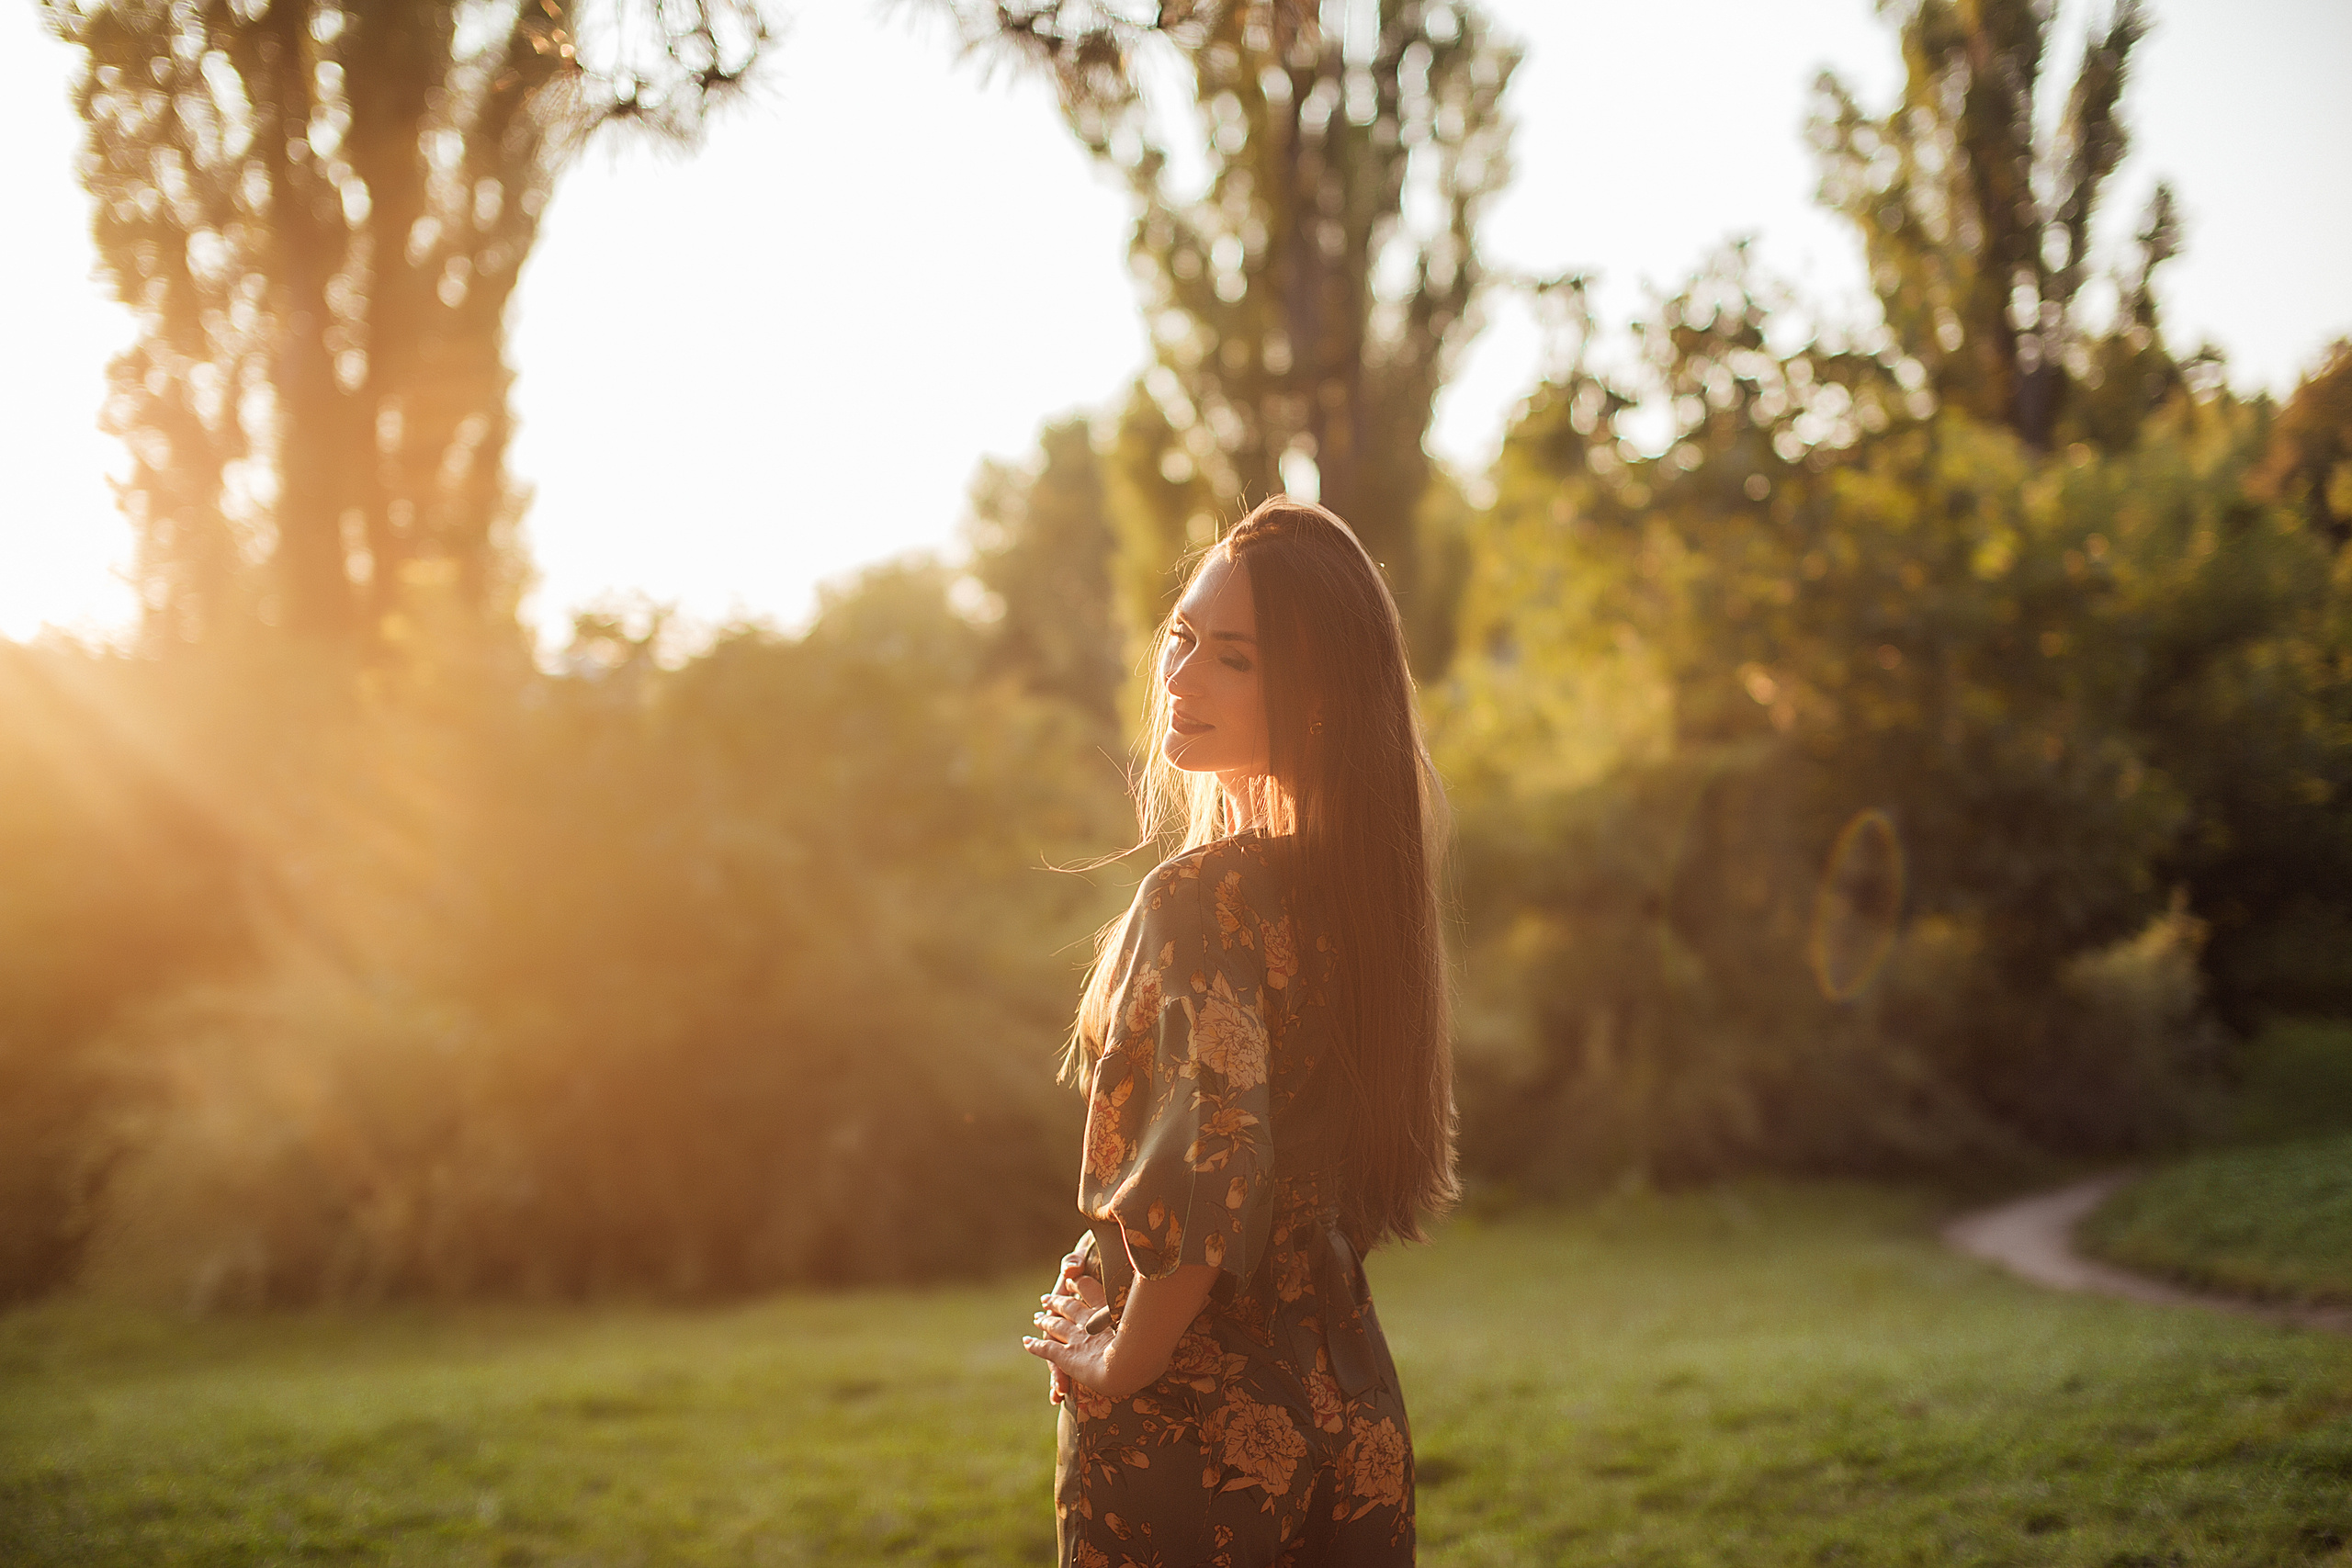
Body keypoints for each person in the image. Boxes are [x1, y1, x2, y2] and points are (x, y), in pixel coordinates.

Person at [1021, 497, 1456, 1566]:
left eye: (1234, 658)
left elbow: (1215, 1174)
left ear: (1316, 698)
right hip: (1349, 1399)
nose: (1180, 677)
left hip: (1198, 1426)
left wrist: (1118, 1358)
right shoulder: (1368, 900)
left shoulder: (1200, 897)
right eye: (1180, 638)